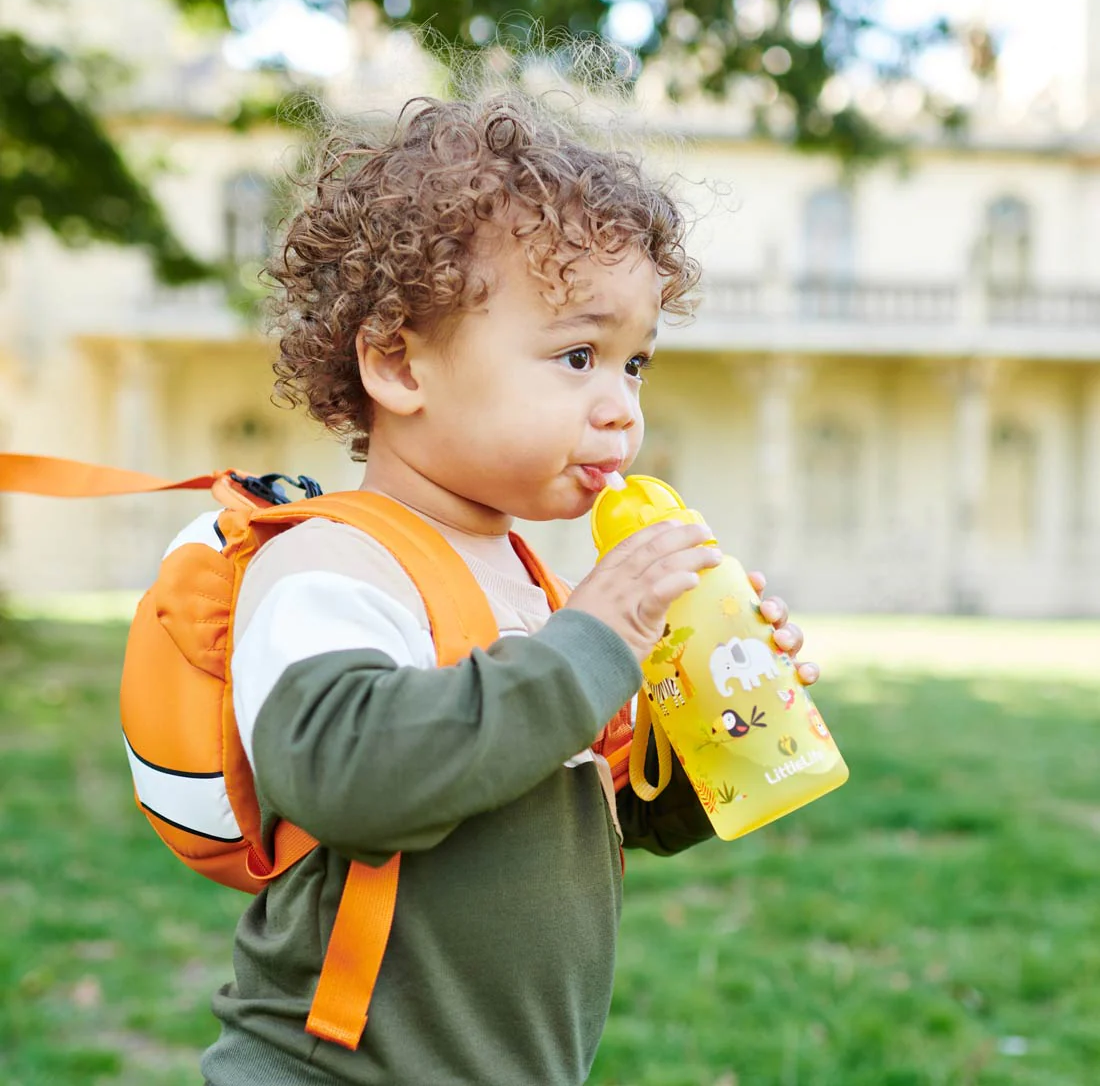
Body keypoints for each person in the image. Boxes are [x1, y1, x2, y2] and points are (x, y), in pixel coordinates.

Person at [201, 92, 819, 1086]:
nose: (620, 408)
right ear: (398, 360)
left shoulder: (536, 583)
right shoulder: (331, 561)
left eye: (635, 364)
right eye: (577, 356)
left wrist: (719, 713)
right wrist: (590, 640)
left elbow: (597, 800)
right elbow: (344, 775)